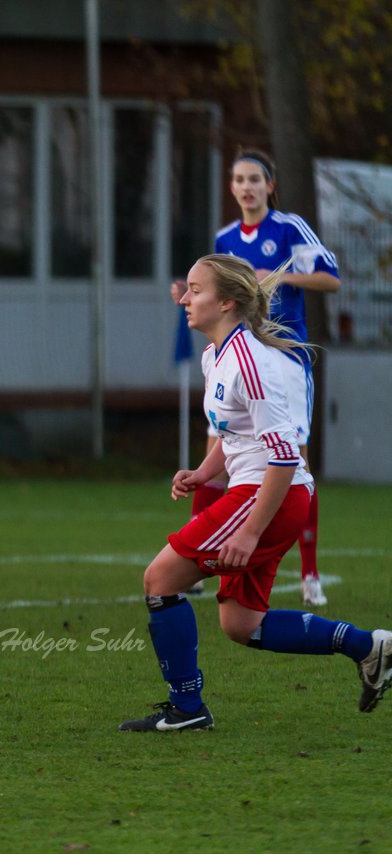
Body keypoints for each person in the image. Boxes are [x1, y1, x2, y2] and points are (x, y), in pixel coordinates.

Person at [120, 254, 389, 732]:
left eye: (196, 290)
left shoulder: (251, 362)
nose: (184, 298)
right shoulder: (216, 355)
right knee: (241, 624)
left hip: (270, 496)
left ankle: (187, 710)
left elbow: (285, 457)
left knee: (159, 579)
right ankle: (369, 647)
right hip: (265, 493)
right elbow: (236, 435)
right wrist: (204, 472)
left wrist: (249, 533)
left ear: (226, 302)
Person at [181, 148, 340, 607]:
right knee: (217, 444)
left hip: (282, 361)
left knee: (295, 462)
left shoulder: (290, 228)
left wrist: (282, 277)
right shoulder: (225, 237)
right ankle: (200, 563)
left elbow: (331, 278)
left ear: (270, 186)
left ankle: (309, 572)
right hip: (233, 356)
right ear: (231, 187)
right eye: (239, 179)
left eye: (255, 179)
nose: (246, 186)